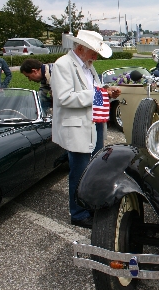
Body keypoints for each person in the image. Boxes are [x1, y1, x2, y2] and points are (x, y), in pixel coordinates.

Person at [50, 30, 121, 229]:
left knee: (93, 168)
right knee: (80, 171)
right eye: (93, 52)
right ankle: (78, 213)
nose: (96, 56)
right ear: (80, 48)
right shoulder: (63, 64)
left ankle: (89, 205)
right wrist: (98, 94)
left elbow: (94, 92)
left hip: (93, 123)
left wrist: (107, 93)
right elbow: (63, 98)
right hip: (78, 127)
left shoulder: (88, 66)